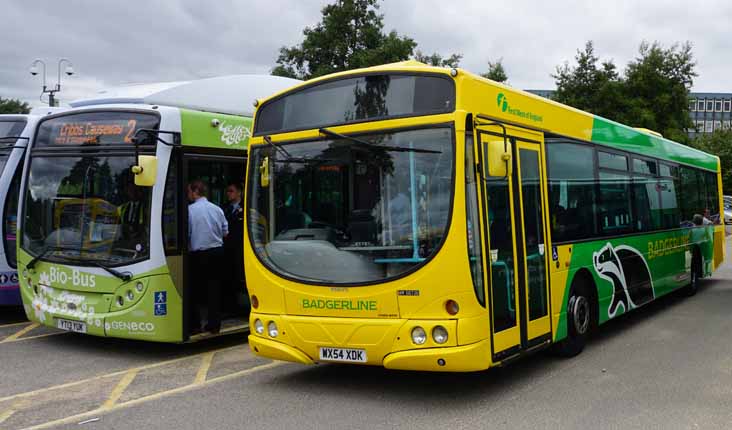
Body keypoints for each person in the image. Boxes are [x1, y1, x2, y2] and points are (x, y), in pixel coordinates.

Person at [187, 180, 228, 334]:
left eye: (189, 191)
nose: (188, 195)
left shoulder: (190, 210)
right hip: (217, 252)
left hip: (198, 254)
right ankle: (214, 325)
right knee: (214, 289)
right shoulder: (217, 209)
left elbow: (187, 234)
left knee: (194, 290)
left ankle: (195, 325)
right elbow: (225, 232)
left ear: (195, 191)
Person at [222, 182, 248, 314]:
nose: (228, 194)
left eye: (231, 191)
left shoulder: (246, 207)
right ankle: (230, 307)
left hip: (241, 248)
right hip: (227, 248)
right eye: (227, 191)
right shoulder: (224, 208)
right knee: (228, 277)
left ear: (239, 193)